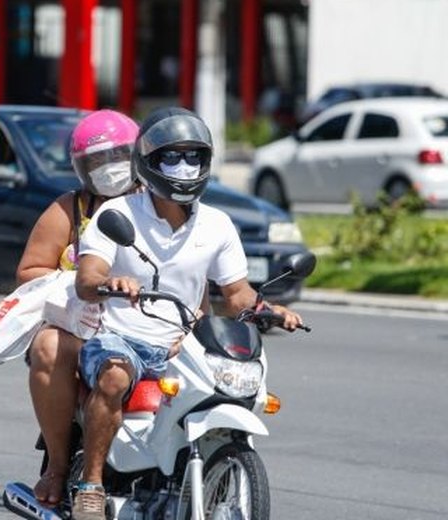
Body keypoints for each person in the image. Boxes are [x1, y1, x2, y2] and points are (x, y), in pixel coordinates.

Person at [70, 107, 304, 520]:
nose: (184, 167)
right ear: (148, 163)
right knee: (114, 375)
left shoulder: (217, 225)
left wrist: (268, 309)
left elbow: (236, 294)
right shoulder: (117, 215)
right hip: (119, 337)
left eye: (193, 157)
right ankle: (91, 485)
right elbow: (87, 279)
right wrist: (113, 284)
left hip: (183, 343)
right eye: (172, 157)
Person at [15, 109, 140, 508]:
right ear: (82, 168)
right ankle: (57, 464)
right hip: (82, 327)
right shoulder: (69, 210)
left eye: (119, 158)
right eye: (99, 162)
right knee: (49, 347)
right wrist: (83, 282)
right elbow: (30, 271)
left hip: (146, 324)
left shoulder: (158, 206)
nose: (111, 170)